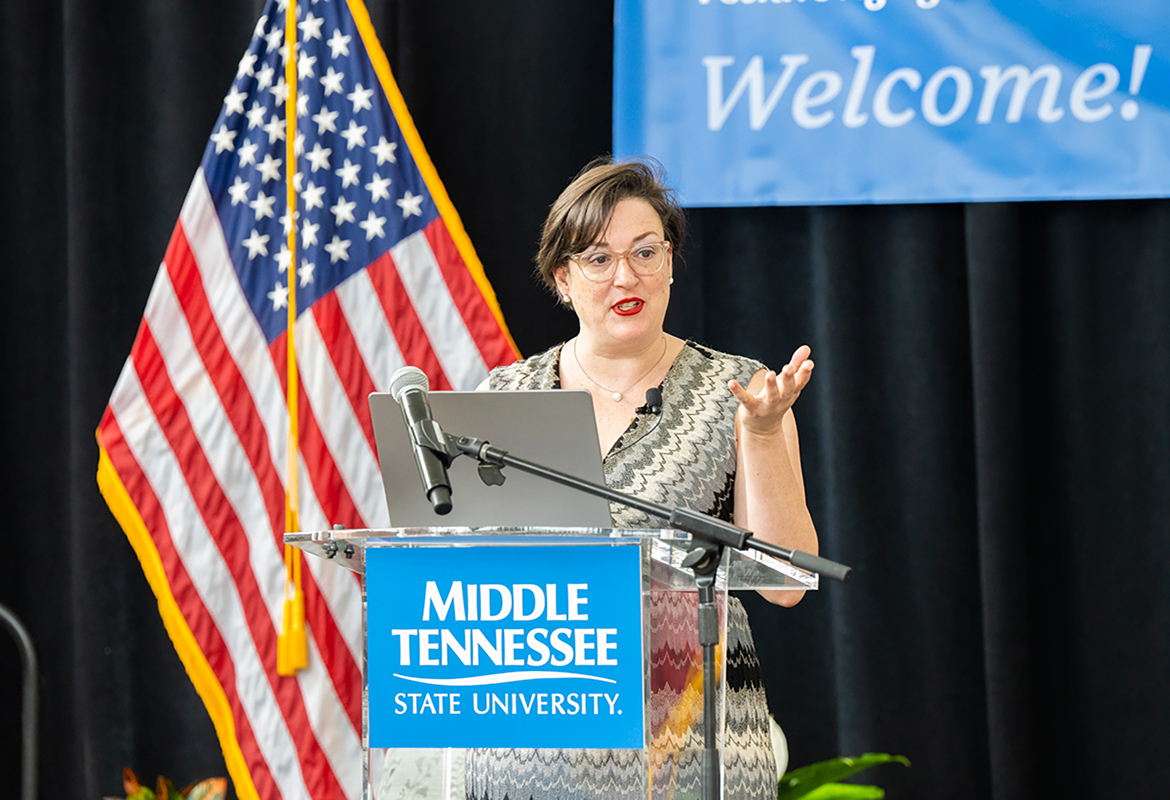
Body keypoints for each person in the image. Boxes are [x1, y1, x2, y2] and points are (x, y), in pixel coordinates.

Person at [467, 157, 818, 800]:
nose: (625, 276)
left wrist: (764, 433)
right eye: (598, 259)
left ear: (671, 262)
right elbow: (467, 573)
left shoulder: (738, 390)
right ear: (563, 278)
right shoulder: (506, 395)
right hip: (533, 737)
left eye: (645, 252)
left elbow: (785, 584)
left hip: (692, 735)